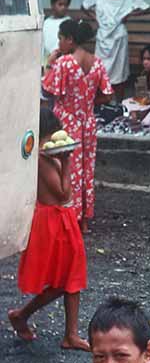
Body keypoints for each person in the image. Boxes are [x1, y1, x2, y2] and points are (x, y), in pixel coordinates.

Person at [8, 109, 88, 350]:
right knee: (63, 281)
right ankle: (21, 314)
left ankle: (71, 334)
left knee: (73, 276)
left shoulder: (46, 155)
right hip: (52, 220)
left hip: (63, 217)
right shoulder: (41, 158)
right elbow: (63, 193)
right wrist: (66, 162)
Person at [43, 19, 113, 233]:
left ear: (70, 39)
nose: (59, 43)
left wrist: (48, 64)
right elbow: (108, 95)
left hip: (66, 122)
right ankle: (84, 220)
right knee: (86, 170)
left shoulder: (64, 63)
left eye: (60, 38)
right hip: (88, 122)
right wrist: (88, 102)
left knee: (66, 169)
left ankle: (69, 217)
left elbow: (48, 90)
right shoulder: (97, 62)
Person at [82, 0, 150, 102]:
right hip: (102, 39)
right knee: (100, 70)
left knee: (119, 72)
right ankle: (100, 102)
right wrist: (95, 18)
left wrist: (128, 15)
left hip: (119, 38)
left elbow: (147, 9)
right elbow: (84, 6)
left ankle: (118, 103)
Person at [42, 0, 71, 67]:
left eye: (66, 5)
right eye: (60, 4)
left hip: (63, 60)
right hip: (47, 58)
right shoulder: (46, 23)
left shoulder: (68, 22)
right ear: (52, 5)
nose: (63, 8)